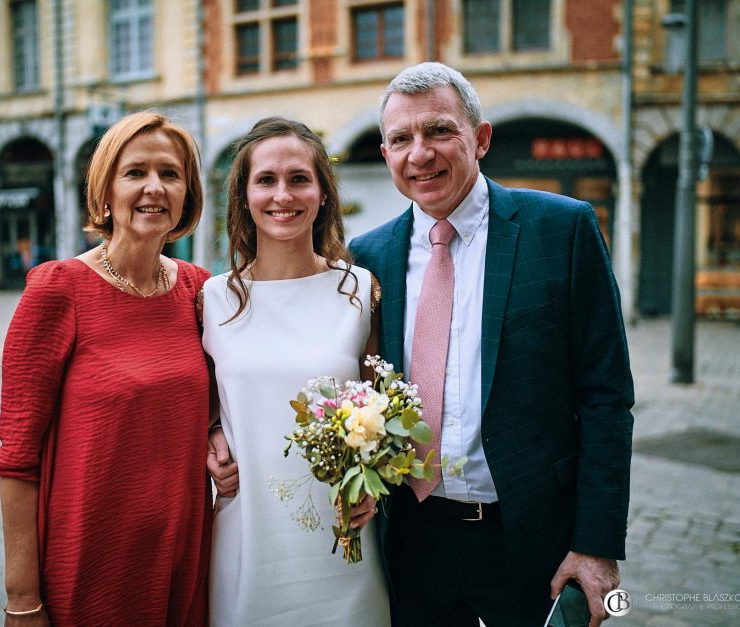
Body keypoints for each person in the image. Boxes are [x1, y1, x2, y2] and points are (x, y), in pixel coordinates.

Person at [348, 62, 635, 626]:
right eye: (401, 139)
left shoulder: (562, 228)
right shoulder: (368, 256)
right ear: (386, 156)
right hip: (411, 540)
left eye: (438, 131)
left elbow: (605, 398)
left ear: (479, 139)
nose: (419, 154)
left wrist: (596, 545)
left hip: (532, 539)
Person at [0, 111, 212, 626]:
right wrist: (22, 599)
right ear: (105, 191)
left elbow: (220, 407)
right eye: (135, 172)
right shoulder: (58, 289)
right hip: (92, 555)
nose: (154, 187)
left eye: (170, 174)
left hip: (184, 549)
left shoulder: (200, 290)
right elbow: (17, 460)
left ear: (188, 192)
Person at [202, 117, 390, 626]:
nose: (282, 195)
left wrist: (372, 480)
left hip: (341, 532)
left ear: (323, 193)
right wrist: (211, 435)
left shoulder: (359, 290)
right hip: (247, 529)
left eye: (299, 178)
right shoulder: (213, 298)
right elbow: (199, 402)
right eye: (265, 180)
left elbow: (382, 407)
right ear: (242, 196)